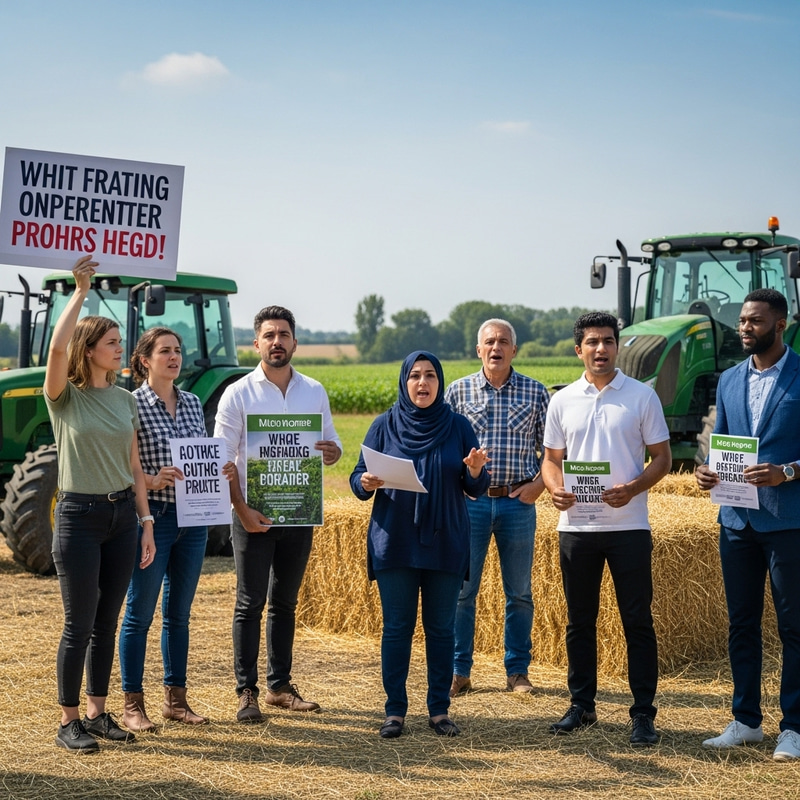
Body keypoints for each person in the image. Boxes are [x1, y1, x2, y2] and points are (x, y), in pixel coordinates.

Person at [541, 311, 670, 746]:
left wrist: (633, 488)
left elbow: (663, 459)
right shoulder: (561, 401)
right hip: (576, 527)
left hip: (630, 526)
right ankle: (582, 706)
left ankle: (643, 714)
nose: (601, 349)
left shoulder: (642, 396)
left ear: (618, 347)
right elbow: (551, 460)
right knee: (580, 620)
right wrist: (555, 489)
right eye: (592, 342)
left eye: (608, 341)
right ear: (578, 349)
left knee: (636, 620)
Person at [44, 255, 156, 752]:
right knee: (79, 622)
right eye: (112, 343)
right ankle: (69, 721)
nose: (121, 349)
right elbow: (55, 345)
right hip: (79, 517)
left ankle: (97, 711)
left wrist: (146, 521)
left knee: (107, 620)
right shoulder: (64, 397)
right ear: (89, 351)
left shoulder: (127, 399)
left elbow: (134, 466)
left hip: (121, 519)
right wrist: (80, 291)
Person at [350, 351, 489, 738]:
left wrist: (475, 470)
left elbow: (474, 486)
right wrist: (364, 483)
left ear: (440, 382)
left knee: (441, 629)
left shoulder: (458, 427)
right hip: (395, 541)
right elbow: (358, 477)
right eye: (414, 376)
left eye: (430, 376)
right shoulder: (383, 426)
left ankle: (439, 710)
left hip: (445, 541)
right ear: (404, 381)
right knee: (397, 627)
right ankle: (394, 711)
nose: (423, 383)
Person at [214, 305, 342, 722]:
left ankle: (279, 686)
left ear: (294, 343)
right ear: (256, 343)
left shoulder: (314, 390)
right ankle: (246, 691)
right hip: (253, 514)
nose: (276, 342)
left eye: (283, 335)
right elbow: (222, 460)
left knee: (285, 603)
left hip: (299, 513)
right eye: (269, 335)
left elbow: (333, 446)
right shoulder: (238, 393)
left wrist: (331, 452)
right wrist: (242, 509)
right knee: (250, 603)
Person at [695, 288, 800, 761]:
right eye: (741, 320)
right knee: (741, 623)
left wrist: (788, 471)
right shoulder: (729, 379)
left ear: (780, 324)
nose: (744, 327)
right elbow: (721, 443)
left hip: (787, 521)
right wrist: (705, 470)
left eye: (755, 321)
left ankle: (795, 728)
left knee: (793, 625)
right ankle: (745, 721)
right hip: (736, 520)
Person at [445, 318, 549, 696]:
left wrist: (538, 485)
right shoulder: (456, 393)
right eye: (489, 342)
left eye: (503, 342)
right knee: (461, 591)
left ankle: (517, 671)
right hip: (469, 504)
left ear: (514, 350)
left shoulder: (536, 393)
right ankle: (459, 672)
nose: (496, 348)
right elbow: (443, 448)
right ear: (478, 350)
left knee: (519, 592)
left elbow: (553, 452)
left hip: (517, 503)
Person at [118, 327, 214, 731]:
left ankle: (176, 701)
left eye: (178, 351)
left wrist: (217, 466)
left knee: (179, 614)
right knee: (139, 614)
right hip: (152, 517)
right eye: (165, 352)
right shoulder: (132, 404)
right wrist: (154, 481)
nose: (174, 357)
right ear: (145, 360)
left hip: (193, 521)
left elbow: (201, 453)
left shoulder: (193, 402)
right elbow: (124, 464)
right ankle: (131, 705)